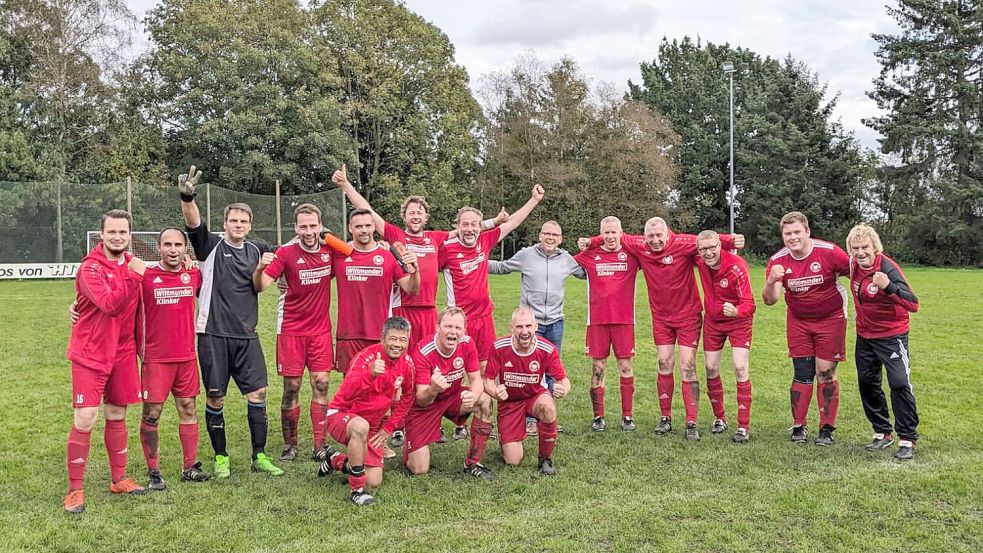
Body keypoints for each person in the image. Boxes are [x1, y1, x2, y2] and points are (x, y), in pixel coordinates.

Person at [579, 217, 743, 438]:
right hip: (661, 317)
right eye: (651, 236)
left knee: (687, 365)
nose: (655, 241)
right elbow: (614, 235)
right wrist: (591, 241)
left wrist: (730, 241)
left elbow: (705, 240)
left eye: (659, 236)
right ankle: (665, 418)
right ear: (644, 237)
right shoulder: (639, 245)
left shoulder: (683, 243)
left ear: (668, 234)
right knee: (664, 362)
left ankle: (691, 422)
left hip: (687, 315)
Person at [177, 165, 283, 477]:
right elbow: (193, 222)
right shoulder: (210, 246)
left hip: (247, 336)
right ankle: (221, 456)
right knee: (215, 396)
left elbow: (286, 258)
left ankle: (259, 456)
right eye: (233, 220)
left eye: (243, 221)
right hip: (213, 335)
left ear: (250, 226)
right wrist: (187, 197)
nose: (238, 225)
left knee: (258, 394)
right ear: (225, 224)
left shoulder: (257, 249)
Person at [64, 209, 147, 513]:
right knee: (85, 418)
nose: (117, 237)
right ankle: (75, 490)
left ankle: (119, 479)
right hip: (91, 353)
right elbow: (111, 305)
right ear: (101, 235)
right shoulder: (90, 269)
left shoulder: (131, 263)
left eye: (122, 232)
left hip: (123, 353)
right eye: (111, 232)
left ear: (129, 235)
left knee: (116, 414)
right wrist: (134, 275)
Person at [254, 204, 337, 462]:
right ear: (295, 227)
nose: (309, 231)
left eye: (313, 226)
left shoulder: (330, 250)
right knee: (292, 387)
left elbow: (353, 254)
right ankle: (290, 445)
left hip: (320, 330)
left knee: (321, 383)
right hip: (291, 329)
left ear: (320, 225)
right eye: (303, 226)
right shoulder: (286, 253)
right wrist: (259, 268)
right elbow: (261, 285)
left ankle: (319, 444)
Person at [488, 220, 585, 435]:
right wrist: (477, 262)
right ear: (540, 236)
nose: (550, 238)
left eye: (555, 235)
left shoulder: (567, 259)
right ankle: (529, 419)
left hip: (555, 321)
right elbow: (503, 267)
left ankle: (546, 416)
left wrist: (595, 250)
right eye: (546, 233)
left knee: (551, 371)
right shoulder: (526, 255)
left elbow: (586, 273)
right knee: (528, 371)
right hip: (530, 325)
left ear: (560, 239)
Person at [763, 211, 850, 446]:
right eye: (787, 233)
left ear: (807, 231)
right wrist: (771, 281)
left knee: (825, 372)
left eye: (797, 232)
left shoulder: (829, 252)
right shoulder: (778, 261)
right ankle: (799, 425)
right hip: (799, 320)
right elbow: (770, 300)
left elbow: (858, 272)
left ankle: (826, 429)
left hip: (831, 318)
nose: (792, 237)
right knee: (802, 371)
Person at [136, 228, 211, 488]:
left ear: (185, 248)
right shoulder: (145, 276)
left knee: (188, 408)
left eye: (178, 244)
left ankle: (189, 466)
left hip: (186, 357)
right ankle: (154, 470)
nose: (173, 249)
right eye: (167, 244)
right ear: (158, 247)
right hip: (155, 359)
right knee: (152, 413)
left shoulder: (193, 274)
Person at [315, 317, 416, 506]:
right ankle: (357, 490)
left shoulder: (407, 364)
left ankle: (336, 459)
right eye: (393, 339)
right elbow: (346, 391)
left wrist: (388, 428)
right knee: (360, 427)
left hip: (374, 425)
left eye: (403, 340)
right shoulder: (366, 358)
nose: (398, 345)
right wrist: (369, 374)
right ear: (382, 338)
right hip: (341, 415)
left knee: (374, 480)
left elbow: (408, 396)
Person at [846, 224, 920, 460]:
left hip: (892, 335)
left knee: (899, 383)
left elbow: (913, 303)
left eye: (865, 247)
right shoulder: (853, 265)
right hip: (865, 336)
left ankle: (907, 438)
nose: (860, 252)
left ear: (874, 246)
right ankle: (882, 432)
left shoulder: (887, 267)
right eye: (855, 248)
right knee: (867, 383)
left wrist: (888, 286)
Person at [403, 307, 496, 479]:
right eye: (448, 326)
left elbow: (476, 379)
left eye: (458, 328)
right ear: (437, 327)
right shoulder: (424, 351)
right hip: (425, 406)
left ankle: (473, 462)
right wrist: (433, 389)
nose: (453, 332)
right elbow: (422, 399)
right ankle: (411, 440)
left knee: (484, 400)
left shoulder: (467, 344)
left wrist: (473, 396)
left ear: (464, 331)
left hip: (452, 397)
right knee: (418, 468)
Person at [484, 307, 571, 475]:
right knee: (512, 461)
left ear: (536, 327)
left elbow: (564, 380)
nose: (524, 331)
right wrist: (495, 392)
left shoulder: (547, 349)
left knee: (548, 408)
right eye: (519, 327)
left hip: (534, 396)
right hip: (510, 402)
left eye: (528, 326)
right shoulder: (499, 347)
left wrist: (564, 389)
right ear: (511, 327)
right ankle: (510, 436)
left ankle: (545, 458)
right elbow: (487, 380)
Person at [332, 208, 419, 374]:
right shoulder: (340, 253)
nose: (364, 230)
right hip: (348, 334)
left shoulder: (387, 256)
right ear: (350, 228)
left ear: (374, 227)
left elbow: (411, 289)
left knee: (381, 383)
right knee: (351, 383)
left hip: (379, 333)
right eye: (358, 227)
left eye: (367, 225)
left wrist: (416, 272)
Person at [573, 216, 639, 432]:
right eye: (606, 233)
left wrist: (592, 239)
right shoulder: (590, 255)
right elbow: (564, 263)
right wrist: (590, 243)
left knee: (625, 366)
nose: (610, 237)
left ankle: (627, 416)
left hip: (624, 320)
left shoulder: (632, 255)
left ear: (621, 233)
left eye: (614, 232)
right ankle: (598, 416)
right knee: (598, 368)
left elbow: (644, 241)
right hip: (597, 321)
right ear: (601, 233)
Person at [694, 230, 756, 443]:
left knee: (740, 367)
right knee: (710, 368)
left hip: (738, 321)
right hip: (713, 322)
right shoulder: (700, 262)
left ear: (720, 246)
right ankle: (720, 418)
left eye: (712, 247)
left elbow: (750, 303)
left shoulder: (736, 266)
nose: (708, 253)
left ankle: (743, 426)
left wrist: (737, 311)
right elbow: (679, 240)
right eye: (703, 249)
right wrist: (729, 239)